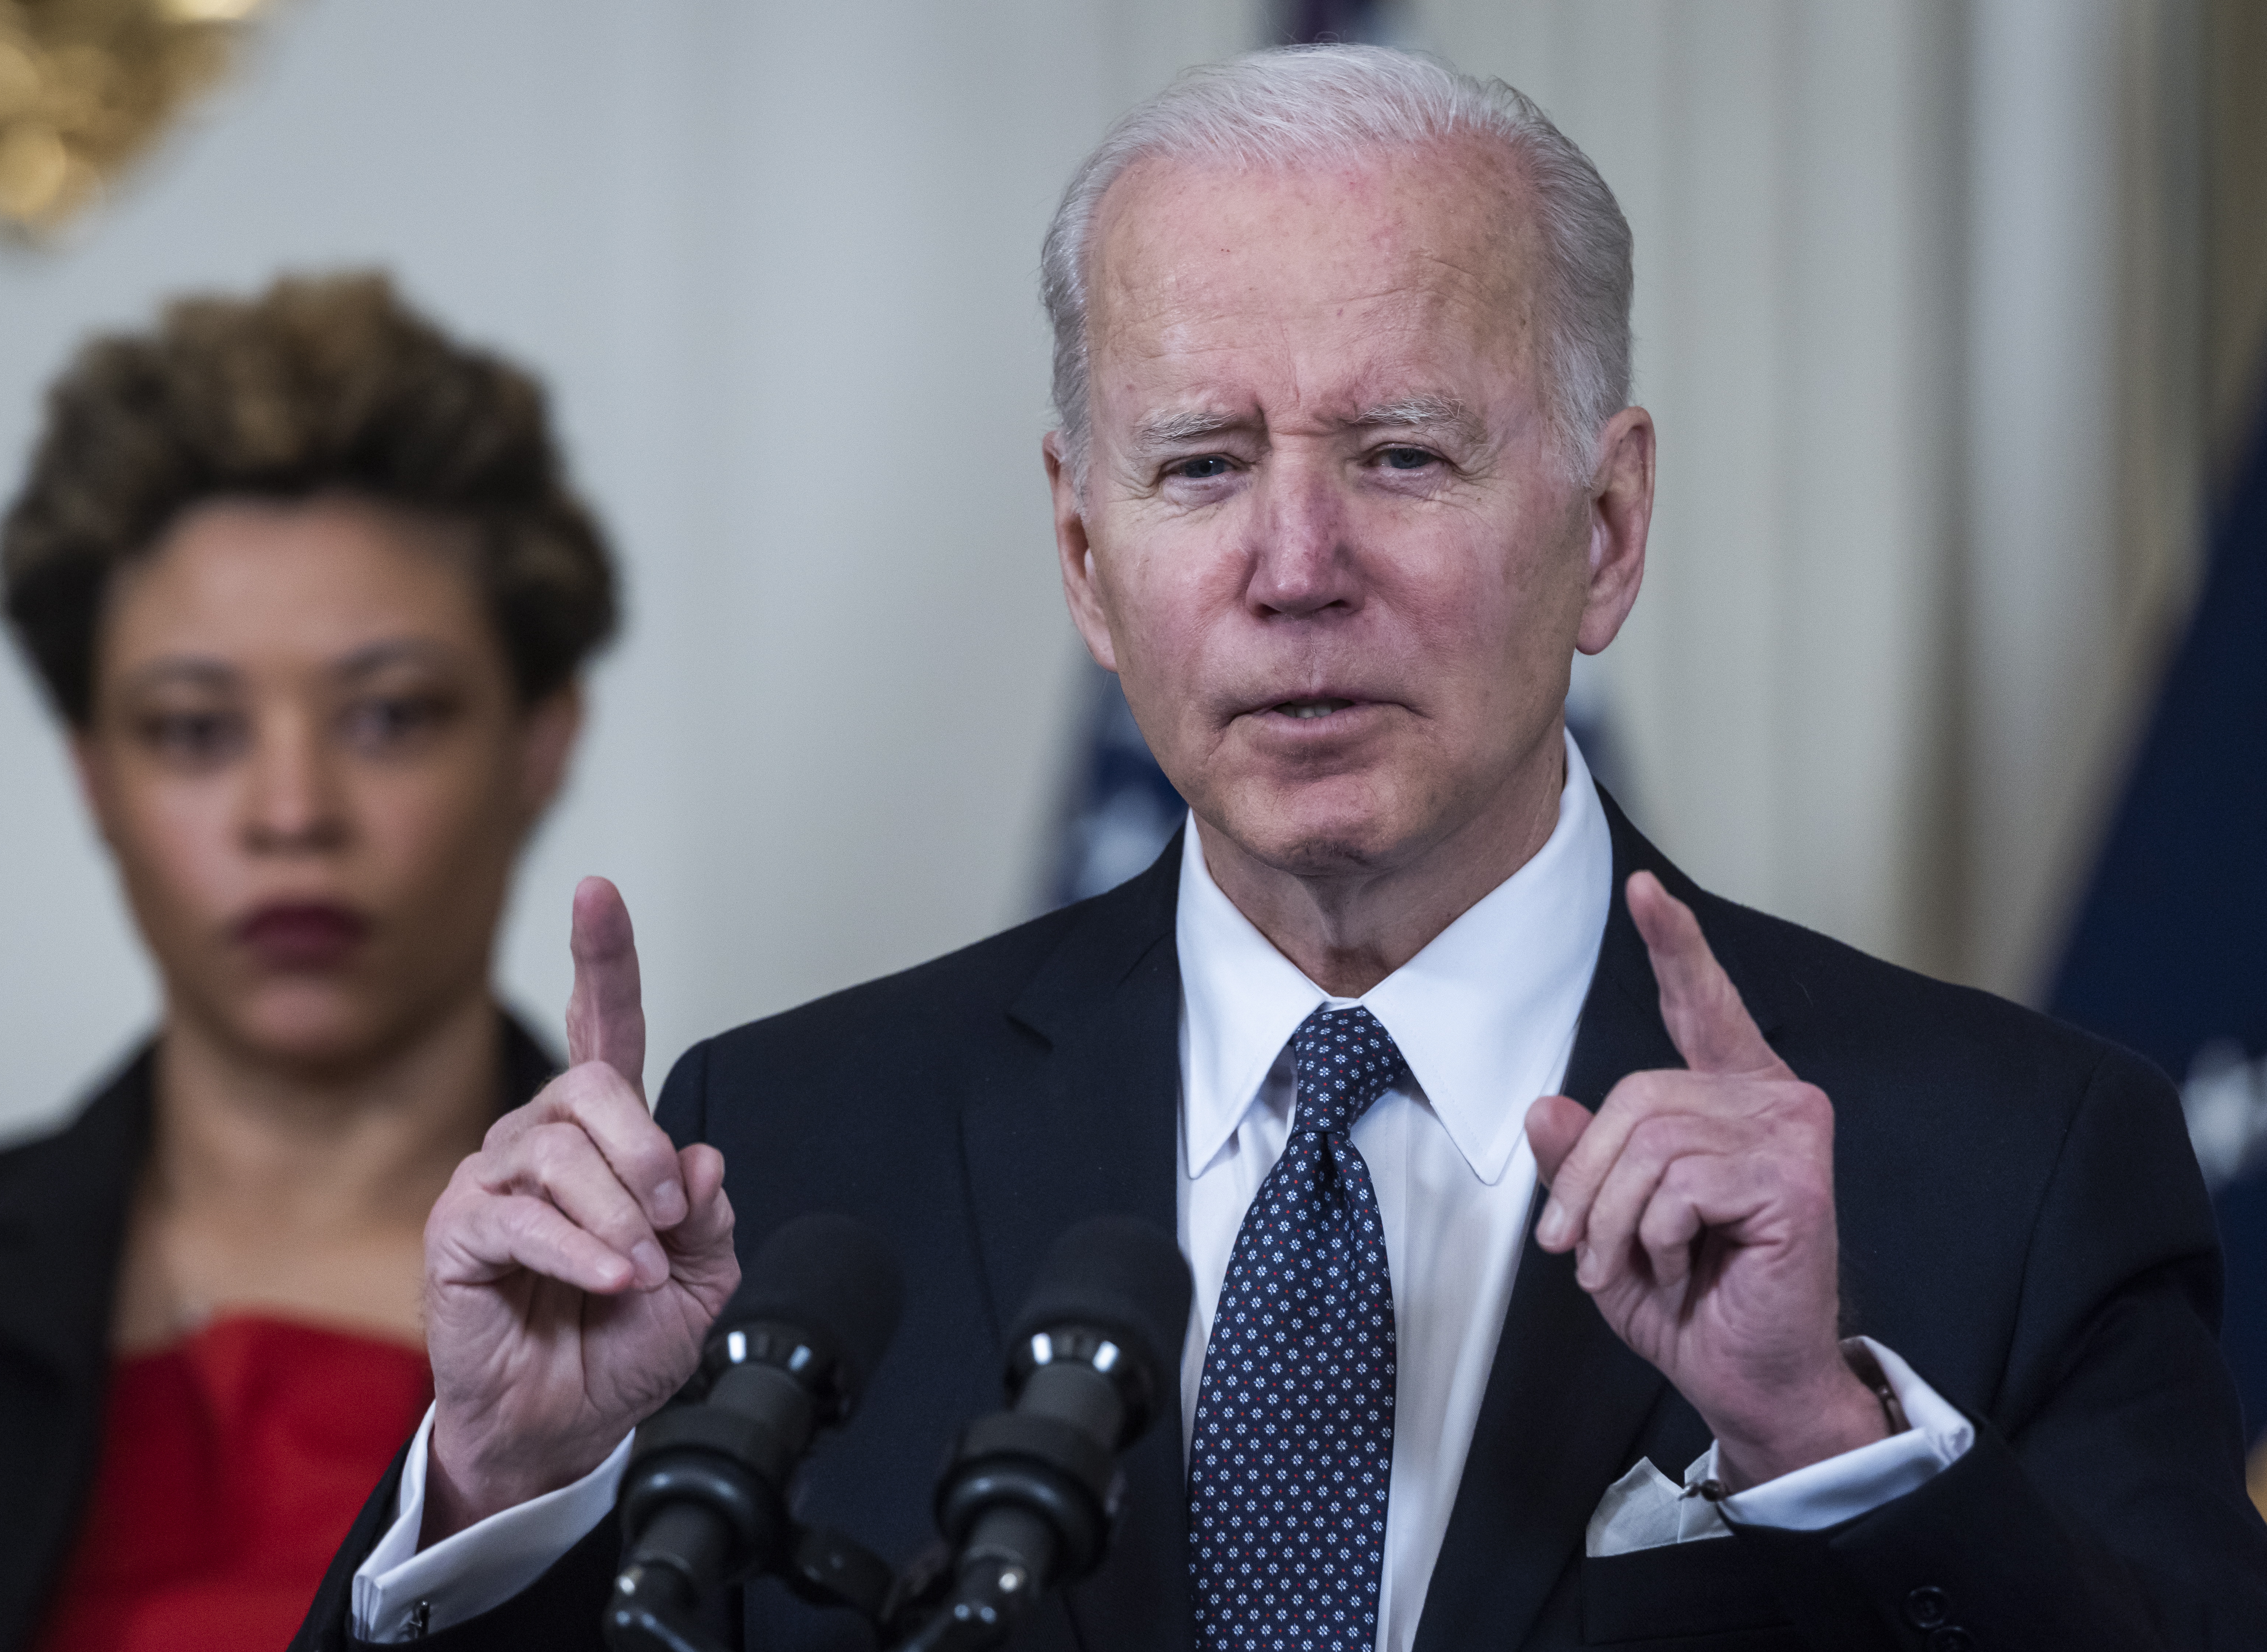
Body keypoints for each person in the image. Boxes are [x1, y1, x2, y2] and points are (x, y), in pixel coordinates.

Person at [295, 47, 2267, 1652]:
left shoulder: (2012, 1167)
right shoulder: (791, 1160)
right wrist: (499, 1487)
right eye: (1202, 465)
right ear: (1088, 557)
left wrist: (1828, 1439)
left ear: (1608, 526)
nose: (1295, 570)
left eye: (1402, 454)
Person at [0, 272, 619, 1651]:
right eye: (192, 730)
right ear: (93, 778)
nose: (291, 813)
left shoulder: (749, 1324)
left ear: (541, 743)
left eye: (390, 716)